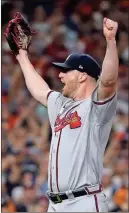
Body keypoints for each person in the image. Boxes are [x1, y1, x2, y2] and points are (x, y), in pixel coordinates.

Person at [14, 17, 118, 212]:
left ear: (82, 76)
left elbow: (109, 81)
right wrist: (21, 55)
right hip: (56, 204)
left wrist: (111, 41)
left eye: (65, 71)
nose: (60, 75)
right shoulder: (61, 105)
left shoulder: (96, 107)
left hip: (85, 201)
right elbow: (39, 90)